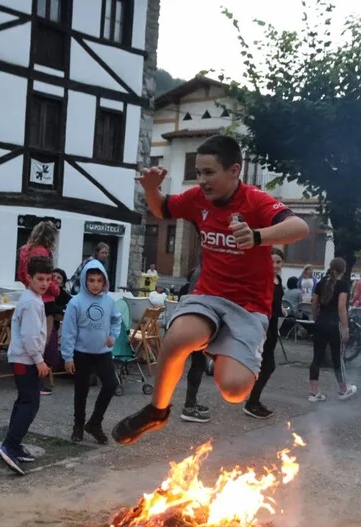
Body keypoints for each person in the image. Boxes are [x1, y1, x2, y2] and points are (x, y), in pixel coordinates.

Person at [112, 135, 309, 444]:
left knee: (233, 391)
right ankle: (157, 411)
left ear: (234, 170)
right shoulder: (197, 199)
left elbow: (300, 227)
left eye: (209, 172)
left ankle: (220, 345)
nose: (202, 180)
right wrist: (151, 189)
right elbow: (163, 208)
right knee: (177, 338)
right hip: (209, 295)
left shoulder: (255, 200)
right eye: (198, 172)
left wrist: (257, 236)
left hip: (248, 307)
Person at [0, 255, 53, 475]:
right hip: (25, 360)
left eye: (48, 279)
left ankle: (14, 445)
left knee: (24, 401)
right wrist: (39, 360)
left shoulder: (33, 299)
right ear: (29, 278)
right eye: (40, 279)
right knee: (30, 403)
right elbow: (30, 336)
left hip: (24, 359)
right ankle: (9, 446)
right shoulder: (31, 302)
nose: (45, 283)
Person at [61, 260, 122, 444]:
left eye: (99, 281)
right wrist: (68, 357)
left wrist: (113, 335)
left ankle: (95, 423)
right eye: (91, 280)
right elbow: (68, 331)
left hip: (103, 353)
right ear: (84, 281)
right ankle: (78, 426)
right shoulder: (75, 303)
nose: (95, 284)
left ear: (105, 282)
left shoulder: (109, 301)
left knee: (111, 385)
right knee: (81, 391)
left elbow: (116, 320)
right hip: (82, 353)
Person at [18, 221, 61, 395]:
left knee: (31, 337)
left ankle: (29, 378)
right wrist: (56, 289)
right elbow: (46, 277)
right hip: (46, 300)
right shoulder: (42, 252)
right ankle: (39, 381)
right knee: (42, 340)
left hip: (31, 293)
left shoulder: (24, 250)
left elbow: (22, 275)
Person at [244, 248, 286, 419]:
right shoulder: (263, 279)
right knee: (268, 365)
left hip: (273, 326)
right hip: (263, 327)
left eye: (278, 262)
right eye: (272, 261)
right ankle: (251, 402)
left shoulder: (278, 280)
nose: (275, 265)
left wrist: (280, 308)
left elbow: (275, 299)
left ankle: (253, 400)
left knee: (265, 365)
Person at [308, 257, 357, 402]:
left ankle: (314, 392)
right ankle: (343, 389)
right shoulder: (343, 285)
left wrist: (316, 318)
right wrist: (346, 328)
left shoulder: (321, 283)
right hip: (335, 325)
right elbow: (341, 307)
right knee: (337, 357)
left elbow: (314, 303)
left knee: (317, 357)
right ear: (344, 269)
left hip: (320, 323)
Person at [178, 264, 212, 423]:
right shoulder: (202, 273)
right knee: (198, 364)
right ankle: (189, 406)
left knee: (198, 364)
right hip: (198, 322)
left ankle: (191, 402)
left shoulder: (200, 271)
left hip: (197, 321)